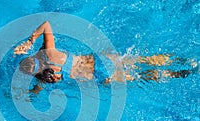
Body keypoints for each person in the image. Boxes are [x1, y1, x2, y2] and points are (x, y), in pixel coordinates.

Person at [14, 21, 198, 93]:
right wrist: (30, 42)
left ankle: (182, 73)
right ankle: (185, 61)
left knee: (140, 77)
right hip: (101, 60)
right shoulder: (49, 53)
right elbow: (46, 24)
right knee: (144, 60)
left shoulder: (47, 78)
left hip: (101, 77)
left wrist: (27, 94)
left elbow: (36, 90)